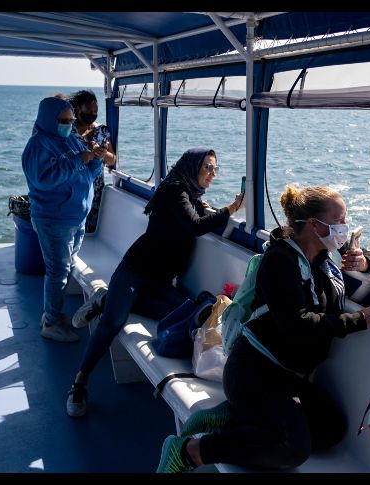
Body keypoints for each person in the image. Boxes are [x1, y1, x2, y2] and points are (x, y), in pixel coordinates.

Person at [155, 184, 370, 472]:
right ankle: (190, 451)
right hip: (254, 371)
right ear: (315, 225)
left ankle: (233, 417)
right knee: (292, 448)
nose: (345, 228)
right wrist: (359, 320)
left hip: (288, 375)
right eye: (339, 220)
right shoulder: (281, 261)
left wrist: (366, 261)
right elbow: (298, 326)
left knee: (331, 429)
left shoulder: (325, 253)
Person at [66, 147, 245, 417]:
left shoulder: (191, 196)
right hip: (136, 269)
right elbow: (196, 225)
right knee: (113, 322)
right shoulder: (174, 190)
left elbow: (201, 218)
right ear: (192, 166)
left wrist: (213, 210)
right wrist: (232, 208)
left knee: (184, 312)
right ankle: (79, 382)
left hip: (160, 281)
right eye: (207, 167)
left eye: (215, 169)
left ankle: (106, 299)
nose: (212, 173)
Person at [21, 95, 106, 343]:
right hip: (53, 219)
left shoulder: (70, 139)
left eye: (71, 120)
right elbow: (44, 179)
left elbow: (88, 174)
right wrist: (80, 159)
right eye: (63, 120)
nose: (68, 124)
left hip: (76, 217)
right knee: (58, 271)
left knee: (65, 268)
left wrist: (96, 158)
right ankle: (50, 322)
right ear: (49, 119)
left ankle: (54, 315)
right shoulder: (38, 145)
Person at [69, 90, 117, 234]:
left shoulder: (102, 130)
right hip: (74, 189)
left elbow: (112, 159)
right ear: (77, 109)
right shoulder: (68, 131)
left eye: (95, 111)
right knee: (72, 230)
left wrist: (102, 153)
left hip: (96, 190)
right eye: (88, 111)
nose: (92, 114)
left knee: (91, 231)